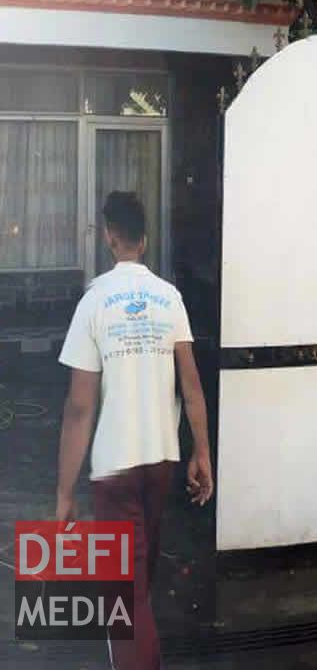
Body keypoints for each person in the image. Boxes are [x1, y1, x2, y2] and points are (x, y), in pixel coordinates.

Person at [55, 191, 213, 670]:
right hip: (159, 464)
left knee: (126, 600)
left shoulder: (94, 302)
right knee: (138, 582)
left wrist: (64, 492)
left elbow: (80, 408)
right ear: (144, 240)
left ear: (108, 236)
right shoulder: (170, 298)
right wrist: (201, 453)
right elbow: (191, 386)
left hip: (114, 471)